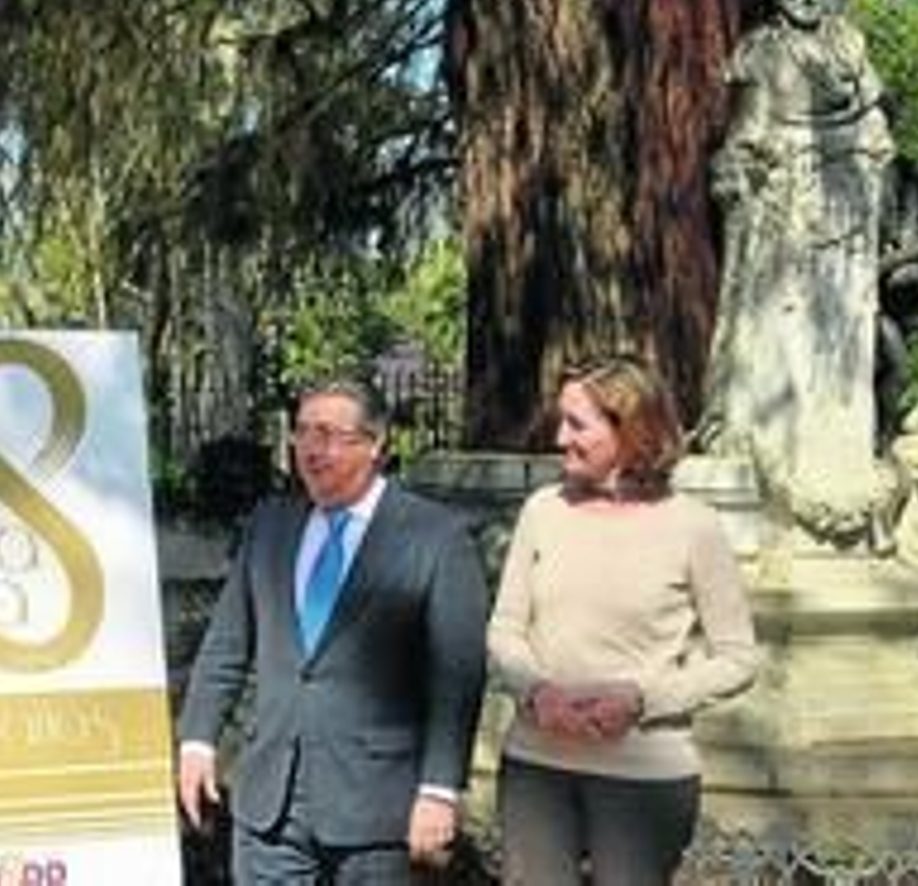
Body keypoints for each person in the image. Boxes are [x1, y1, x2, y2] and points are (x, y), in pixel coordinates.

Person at [176, 378, 489, 883]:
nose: (310, 449)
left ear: (375, 445)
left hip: (375, 809)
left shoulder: (436, 538)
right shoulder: (270, 526)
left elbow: (456, 676)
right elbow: (226, 647)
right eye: (301, 432)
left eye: (328, 434)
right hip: (270, 803)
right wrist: (197, 741)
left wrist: (439, 789)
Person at [489, 355, 760, 885]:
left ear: (632, 429)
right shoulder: (542, 511)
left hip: (644, 776)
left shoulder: (694, 527)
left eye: (577, 424)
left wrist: (640, 700)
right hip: (536, 768)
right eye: (560, 420)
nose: (560, 438)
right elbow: (504, 629)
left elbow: (738, 658)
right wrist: (536, 690)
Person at [702, 0, 895, 543]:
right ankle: (776, 465)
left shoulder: (849, 47)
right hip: (789, 213)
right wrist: (738, 171)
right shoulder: (763, 53)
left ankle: (842, 471)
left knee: (843, 347)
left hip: (850, 217)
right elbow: (747, 136)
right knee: (780, 343)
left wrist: (869, 156)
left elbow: (875, 124)